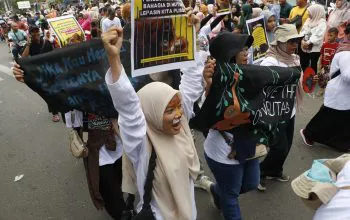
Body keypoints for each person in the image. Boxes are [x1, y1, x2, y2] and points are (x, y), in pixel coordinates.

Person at [102, 12, 204, 220]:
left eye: (178, 107)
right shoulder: (142, 145)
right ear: (152, 113)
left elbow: (192, 82)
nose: (178, 115)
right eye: (169, 110)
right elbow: (129, 106)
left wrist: (191, 35)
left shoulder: (181, 125)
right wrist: (114, 58)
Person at [203, 32, 260, 220]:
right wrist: (209, 84)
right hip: (223, 151)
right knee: (231, 196)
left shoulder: (251, 75)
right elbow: (210, 114)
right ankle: (223, 193)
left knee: (251, 183)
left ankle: (217, 190)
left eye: (247, 49)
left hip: (248, 145)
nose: (246, 53)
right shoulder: (216, 81)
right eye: (241, 50)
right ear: (228, 54)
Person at [257, 24, 304, 191]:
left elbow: (299, 81)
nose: (294, 46)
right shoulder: (270, 61)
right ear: (280, 43)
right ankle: (259, 173)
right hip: (274, 111)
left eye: (296, 41)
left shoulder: (294, 58)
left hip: (289, 110)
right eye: (290, 42)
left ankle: (275, 171)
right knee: (279, 145)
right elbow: (261, 86)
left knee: (287, 144)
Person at [300, 23, 350, 152]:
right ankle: (307, 133)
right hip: (339, 93)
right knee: (326, 118)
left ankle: (341, 143)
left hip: (344, 95)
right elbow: (347, 76)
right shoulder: (346, 53)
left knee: (341, 120)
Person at [12, 26, 60, 122]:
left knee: (55, 91)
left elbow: (55, 53)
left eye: (37, 32)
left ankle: (59, 107)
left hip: (50, 71)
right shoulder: (29, 45)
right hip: (38, 74)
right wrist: (29, 44)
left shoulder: (45, 41)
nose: (36, 35)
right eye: (33, 33)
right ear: (30, 34)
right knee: (46, 94)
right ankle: (55, 113)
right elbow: (23, 58)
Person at [299, 4, 327, 73]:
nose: (308, 14)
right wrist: (302, 40)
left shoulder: (322, 23)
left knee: (313, 66)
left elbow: (318, 36)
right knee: (303, 64)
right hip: (304, 46)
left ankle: (312, 81)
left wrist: (308, 42)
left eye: (310, 12)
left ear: (316, 12)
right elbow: (303, 30)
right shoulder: (309, 20)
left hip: (314, 49)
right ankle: (304, 79)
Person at [318, 27, 339, 96]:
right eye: (328, 35)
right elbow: (321, 55)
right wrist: (320, 63)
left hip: (332, 66)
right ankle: (321, 90)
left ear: (336, 36)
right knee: (322, 78)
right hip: (324, 65)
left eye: (331, 35)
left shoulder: (337, 46)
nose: (329, 37)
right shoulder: (325, 44)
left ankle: (329, 91)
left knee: (330, 79)